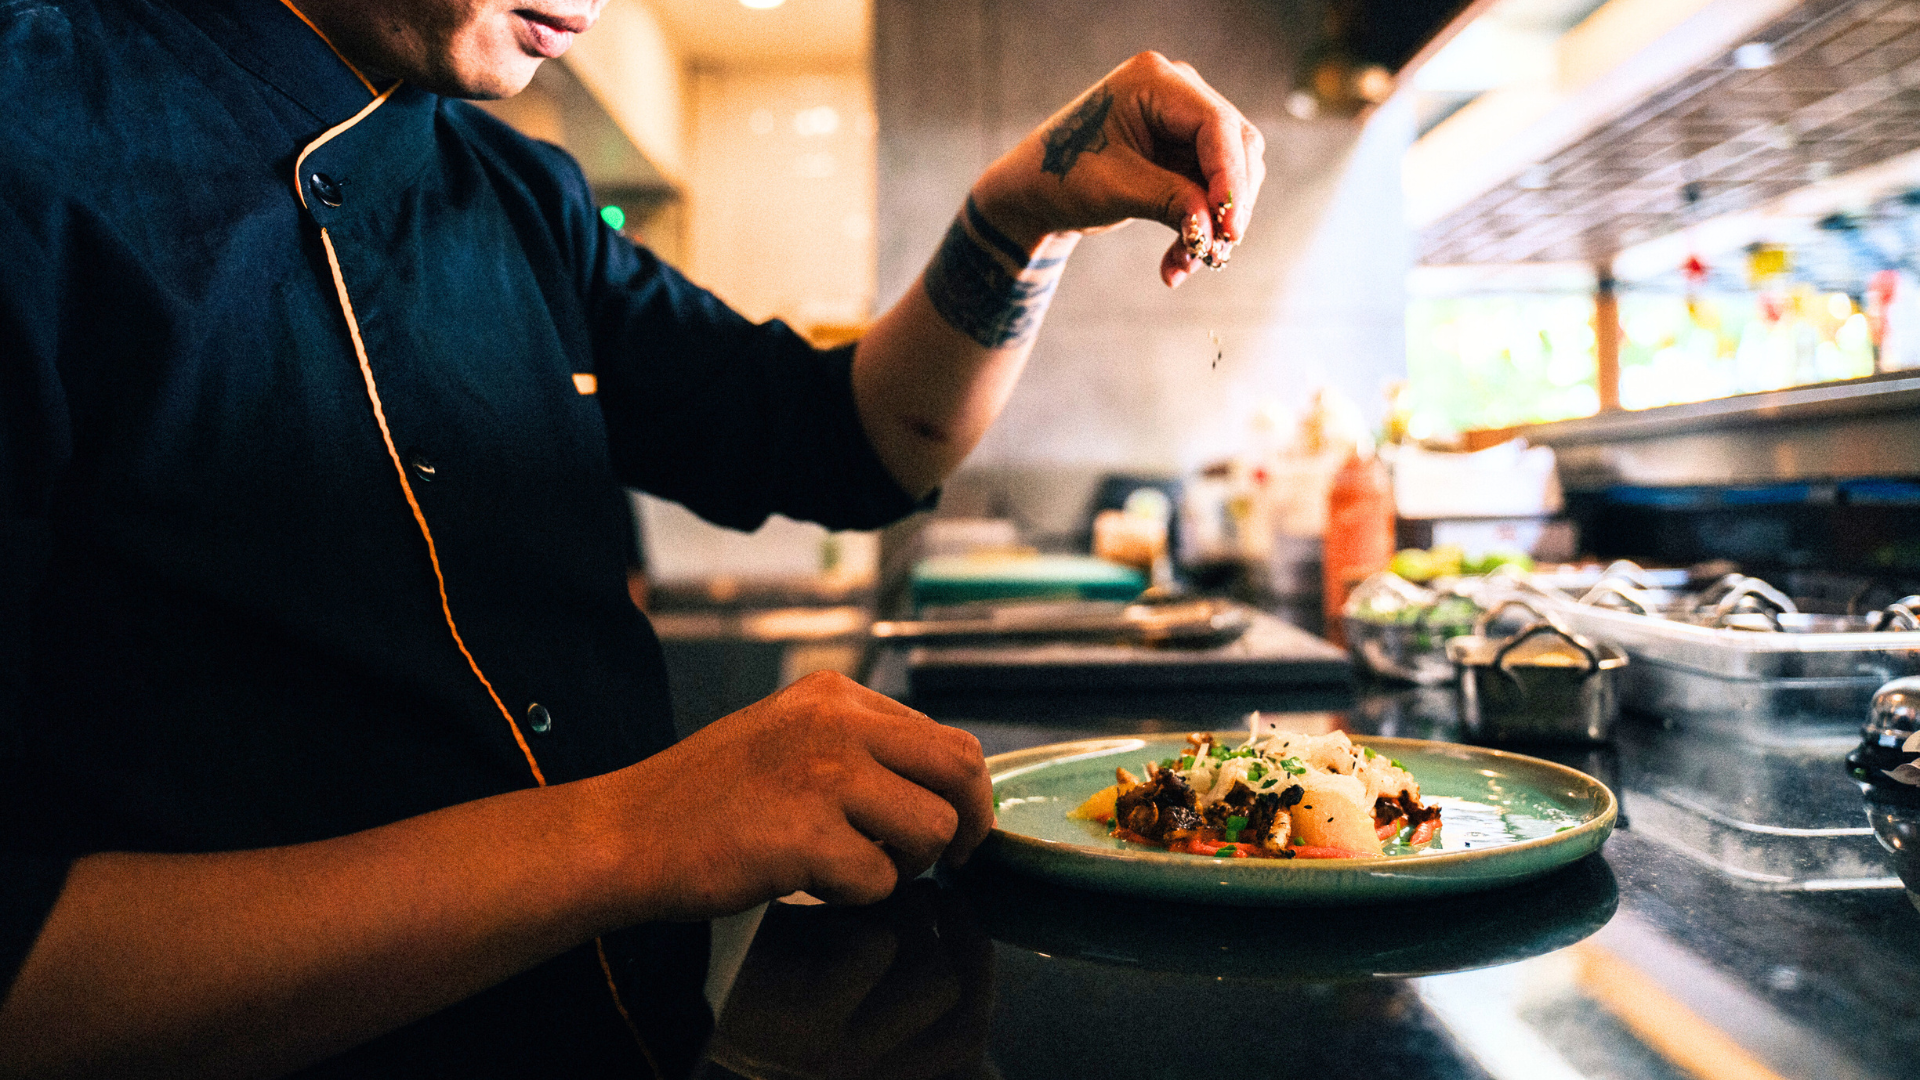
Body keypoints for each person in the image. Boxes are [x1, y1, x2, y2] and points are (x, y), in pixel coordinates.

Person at [0, 0, 1266, 1074]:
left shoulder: (512, 190)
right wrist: (643, 829)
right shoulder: (33, 124)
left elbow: (851, 441)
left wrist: (1020, 208)